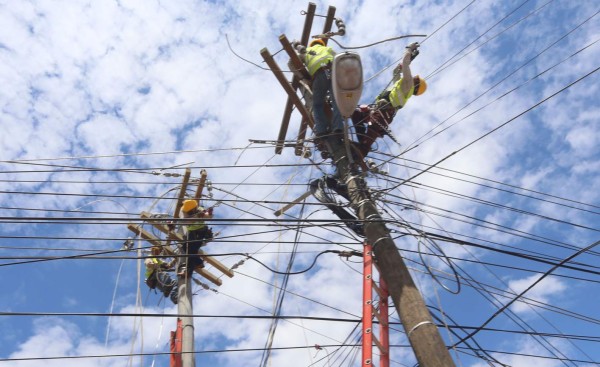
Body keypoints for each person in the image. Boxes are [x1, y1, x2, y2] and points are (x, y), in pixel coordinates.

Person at [351, 42, 427, 157]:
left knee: (370, 135)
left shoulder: (408, 85)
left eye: (415, 79)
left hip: (383, 113)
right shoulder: (402, 85)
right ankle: (361, 144)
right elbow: (396, 72)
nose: (413, 77)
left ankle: (361, 150)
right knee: (356, 114)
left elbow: (405, 65)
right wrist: (409, 58)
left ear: (416, 84)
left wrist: (408, 50)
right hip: (377, 110)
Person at [303, 38, 344, 142]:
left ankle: (321, 131)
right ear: (321, 44)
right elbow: (340, 59)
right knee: (337, 102)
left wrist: (302, 76)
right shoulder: (327, 48)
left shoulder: (306, 52)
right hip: (332, 73)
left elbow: (291, 62)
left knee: (317, 105)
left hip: (319, 76)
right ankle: (338, 128)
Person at [179, 199, 213, 276]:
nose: (190, 211)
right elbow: (187, 221)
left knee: (191, 250)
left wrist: (208, 213)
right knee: (186, 248)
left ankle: (188, 272)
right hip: (192, 232)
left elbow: (208, 217)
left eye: (192, 210)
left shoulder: (199, 209)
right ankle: (199, 263)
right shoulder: (184, 210)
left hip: (201, 231)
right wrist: (197, 216)